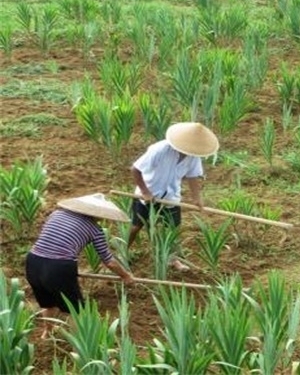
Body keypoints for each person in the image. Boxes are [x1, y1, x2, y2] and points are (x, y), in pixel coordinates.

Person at [25, 193, 135, 339]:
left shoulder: (56, 214)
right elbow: (109, 261)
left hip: (33, 261)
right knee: (76, 310)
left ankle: (47, 333)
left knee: (48, 302)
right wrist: (126, 276)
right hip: (58, 267)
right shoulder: (95, 229)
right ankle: (79, 345)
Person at [127, 122, 219, 271]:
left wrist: (197, 198)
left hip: (171, 197)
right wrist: (145, 192)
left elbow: (193, 176)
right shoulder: (159, 150)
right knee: (136, 226)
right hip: (148, 194)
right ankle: (121, 253)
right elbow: (135, 169)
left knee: (173, 230)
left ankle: (173, 260)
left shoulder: (193, 156)